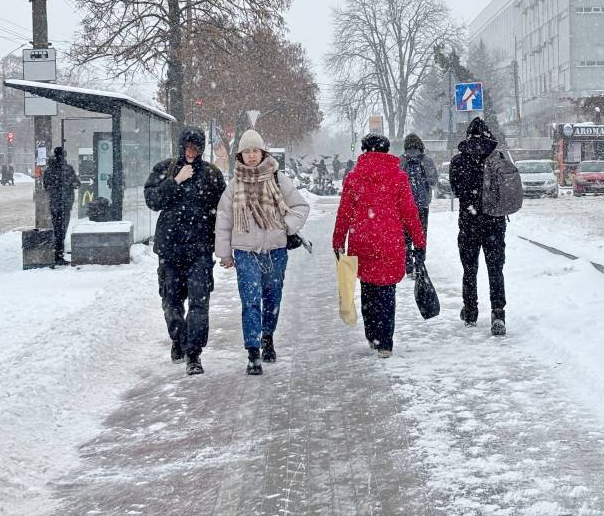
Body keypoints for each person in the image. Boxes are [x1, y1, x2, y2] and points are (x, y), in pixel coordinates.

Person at [215, 130, 309, 376]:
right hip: (246, 252)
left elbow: (300, 206)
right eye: (247, 151)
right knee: (250, 300)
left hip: (275, 251)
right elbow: (224, 221)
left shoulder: (278, 179)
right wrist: (225, 253)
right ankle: (253, 352)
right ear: (241, 156)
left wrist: (286, 227)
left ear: (263, 152)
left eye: (255, 150)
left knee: (272, 297)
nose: (252, 156)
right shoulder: (234, 186)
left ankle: (267, 336)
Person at [332, 133, 426, 358]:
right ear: (386, 151)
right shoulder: (399, 176)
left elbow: (344, 213)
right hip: (390, 241)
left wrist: (338, 241)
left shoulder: (354, 177)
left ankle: (372, 334)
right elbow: (409, 212)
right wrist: (419, 240)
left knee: (368, 289)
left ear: (364, 151)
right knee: (387, 292)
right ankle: (385, 342)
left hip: (362, 240)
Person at [145, 127, 226, 376]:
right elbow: (152, 200)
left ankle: (194, 352)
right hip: (169, 249)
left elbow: (223, 209)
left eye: (196, 147)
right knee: (171, 301)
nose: (192, 151)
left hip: (200, 250)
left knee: (199, 303)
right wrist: (175, 181)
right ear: (181, 146)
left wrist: (223, 242)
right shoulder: (165, 169)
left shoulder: (211, 174)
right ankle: (178, 339)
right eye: (188, 146)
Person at [449, 117, 508, 336]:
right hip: (495, 222)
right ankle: (498, 312)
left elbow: (455, 190)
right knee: (495, 270)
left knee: (469, 270)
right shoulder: (498, 158)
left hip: (469, 223)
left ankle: (471, 311)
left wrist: (471, 199)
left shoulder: (458, 161)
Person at [400, 133, 437, 277]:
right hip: (422, 205)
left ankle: (408, 265)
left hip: (404, 206)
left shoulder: (400, 161)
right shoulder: (427, 161)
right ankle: (420, 264)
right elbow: (433, 181)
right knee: (421, 235)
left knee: (405, 236)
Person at [42, 147, 79, 265]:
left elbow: (46, 185)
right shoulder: (67, 169)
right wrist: (69, 185)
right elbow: (77, 183)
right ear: (64, 155)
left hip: (54, 204)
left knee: (57, 229)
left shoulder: (49, 170)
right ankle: (58, 255)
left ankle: (56, 253)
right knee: (62, 230)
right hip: (65, 204)